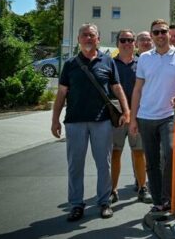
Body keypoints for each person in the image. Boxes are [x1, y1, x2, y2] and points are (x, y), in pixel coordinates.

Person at [51, 23, 130, 221]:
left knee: (103, 164)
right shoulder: (70, 64)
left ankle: (104, 202)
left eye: (92, 35)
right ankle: (76, 204)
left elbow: (117, 87)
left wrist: (126, 110)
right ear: (79, 39)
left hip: (101, 121)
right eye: (84, 35)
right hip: (74, 122)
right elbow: (61, 94)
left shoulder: (107, 61)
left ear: (98, 39)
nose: (88, 38)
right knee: (75, 165)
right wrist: (55, 121)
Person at [129, 19, 175, 213]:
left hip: (169, 115)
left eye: (163, 31)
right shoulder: (145, 58)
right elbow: (137, 89)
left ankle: (167, 197)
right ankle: (158, 202)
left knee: (171, 153)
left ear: (169, 34)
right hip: (146, 116)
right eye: (156, 32)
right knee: (152, 162)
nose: (160, 35)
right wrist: (133, 119)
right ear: (152, 35)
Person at [110, 29, 151, 205]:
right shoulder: (110, 64)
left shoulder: (141, 63)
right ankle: (112, 190)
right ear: (117, 43)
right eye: (123, 40)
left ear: (135, 43)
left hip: (137, 115)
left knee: (139, 153)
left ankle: (143, 187)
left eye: (130, 40)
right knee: (115, 153)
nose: (127, 43)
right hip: (117, 117)